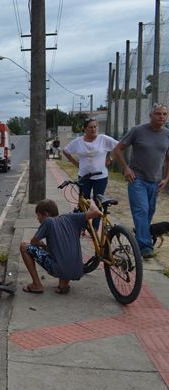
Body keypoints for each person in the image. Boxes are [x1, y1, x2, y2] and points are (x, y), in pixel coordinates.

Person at [112, 103, 169, 259]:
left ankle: (139, 237)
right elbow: (117, 149)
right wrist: (125, 168)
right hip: (137, 180)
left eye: (165, 114)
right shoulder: (138, 131)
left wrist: (166, 178)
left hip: (155, 182)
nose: (162, 117)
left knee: (149, 213)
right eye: (158, 114)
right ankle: (145, 247)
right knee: (141, 211)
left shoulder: (167, 134)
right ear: (151, 115)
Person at [20, 198, 101, 294]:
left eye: (38, 216)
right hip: (78, 270)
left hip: (58, 268)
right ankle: (63, 285)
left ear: (45, 214)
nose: (38, 220)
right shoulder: (71, 217)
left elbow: (33, 242)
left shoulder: (48, 221)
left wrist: (41, 244)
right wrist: (91, 202)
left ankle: (36, 285)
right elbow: (96, 212)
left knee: (24, 246)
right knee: (63, 253)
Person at [63, 118, 119, 229]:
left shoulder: (103, 139)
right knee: (84, 201)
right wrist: (75, 162)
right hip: (84, 176)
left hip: (101, 177)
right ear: (85, 129)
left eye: (95, 127)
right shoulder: (78, 141)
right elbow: (65, 151)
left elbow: (119, 146)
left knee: (98, 201)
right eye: (90, 127)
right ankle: (83, 225)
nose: (93, 129)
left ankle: (95, 227)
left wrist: (110, 158)